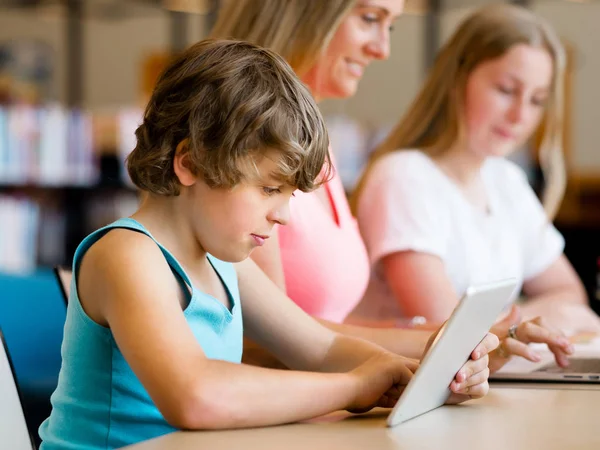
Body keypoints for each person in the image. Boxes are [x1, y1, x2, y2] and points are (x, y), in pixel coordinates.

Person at [37, 40, 494, 450]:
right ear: (190, 163)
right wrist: (355, 387)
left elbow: (321, 349)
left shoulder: (222, 260)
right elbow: (195, 396)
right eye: (268, 189)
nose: (283, 214)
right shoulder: (126, 255)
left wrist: (417, 378)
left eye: (289, 195)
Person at [210, 0, 574, 369]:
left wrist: (469, 340)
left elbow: (327, 325)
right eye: (370, 19)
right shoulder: (245, 142)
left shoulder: (318, 146)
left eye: (391, 27)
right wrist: (459, 343)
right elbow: (273, 340)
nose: (382, 50)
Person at [351, 4, 600, 345]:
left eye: (537, 100)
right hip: (405, 388)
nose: (519, 115)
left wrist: (509, 324)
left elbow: (570, 294)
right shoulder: (403, 177)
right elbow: (450, 335)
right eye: (506, 90)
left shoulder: (506, 180)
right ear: (457, 79)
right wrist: (530, 321)